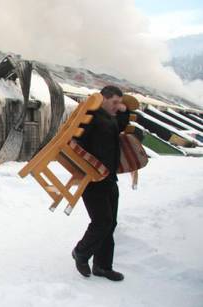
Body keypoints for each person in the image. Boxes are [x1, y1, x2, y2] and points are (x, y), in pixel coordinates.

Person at [71, 85, 129, 281]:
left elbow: (118, 127)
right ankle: (81, 252)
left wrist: (124, 110)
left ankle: (102, 266)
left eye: (119, 102)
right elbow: (74, 139)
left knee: (110, 223)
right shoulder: (90, 116)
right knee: (101, 221)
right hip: (93, 178)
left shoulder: (109, 118)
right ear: (102, 99)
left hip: (109, 177)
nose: (117, 106)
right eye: (114, 102)